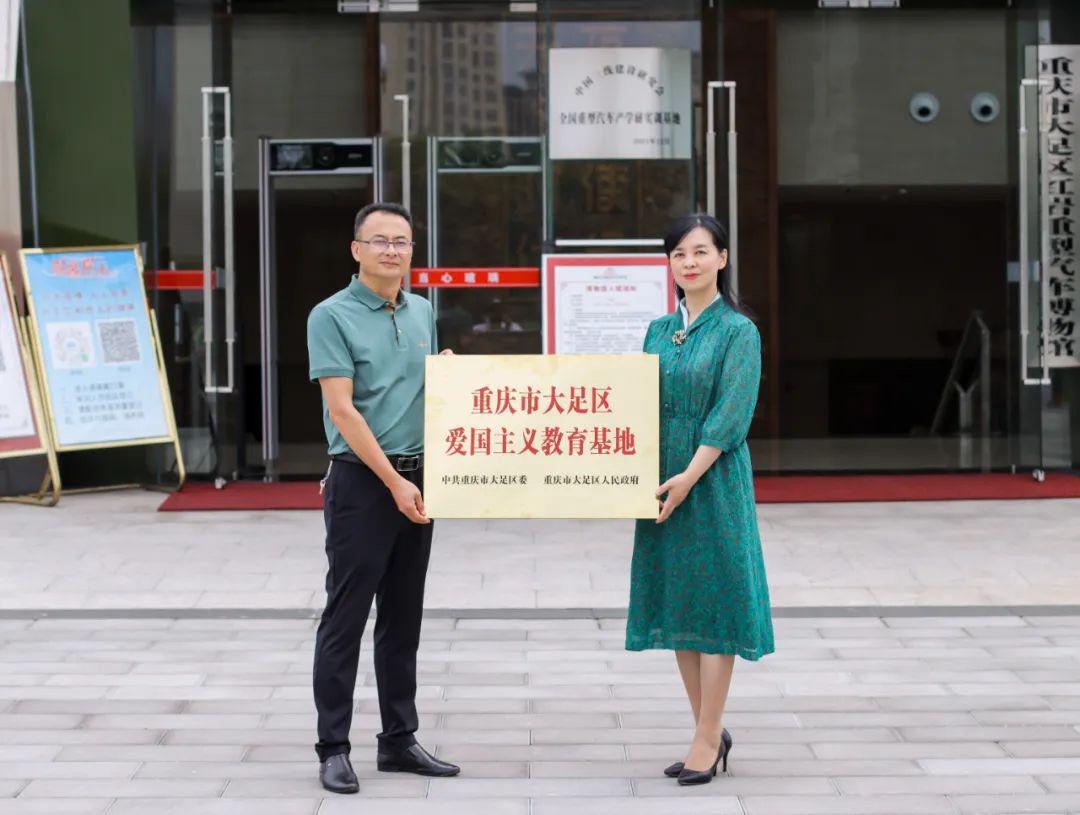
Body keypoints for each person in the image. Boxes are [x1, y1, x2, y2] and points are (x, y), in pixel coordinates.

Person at [306, 201, 460, 795]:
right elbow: (343, 410)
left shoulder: (422, 310)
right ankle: (333, 748)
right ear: (356, 250)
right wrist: (394, 482)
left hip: (420, 480)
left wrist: (446, 373)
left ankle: (398, 739)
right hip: (364, 484)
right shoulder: (330, 315)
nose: (392, 250)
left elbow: (421, 391)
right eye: (380, 240)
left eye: (402, 241)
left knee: (403, 617)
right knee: (345, 617)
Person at [625, 212, 774, 786]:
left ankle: (708, 736)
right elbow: (635, 401)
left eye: (700, 251)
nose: (689, 262)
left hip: (711, 478)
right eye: (678, 254)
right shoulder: (658, 330)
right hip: (662, 479)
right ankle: (705, 729)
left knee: (715, 601)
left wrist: (689, 474)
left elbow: (732, 414)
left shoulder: (739, 332)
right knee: (680, 603)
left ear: (722, 258)